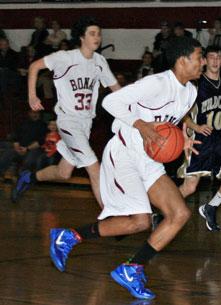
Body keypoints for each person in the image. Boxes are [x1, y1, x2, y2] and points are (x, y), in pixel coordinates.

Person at [47, 36, 204, 300]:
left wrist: (181, 137)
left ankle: (132, 268)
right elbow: (111, 103)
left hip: (149, 158)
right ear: (182, 60)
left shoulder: (190, 92)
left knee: (179, 214)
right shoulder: (156, 83)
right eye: (199, 57)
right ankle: (69, 236)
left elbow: (165, 122)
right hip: (125, 154)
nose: (202, 62)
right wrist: (141, 125)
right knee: (140, 222)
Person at [12, 16, 121, 205]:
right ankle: (110, 215)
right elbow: (34, 66)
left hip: (86, 123)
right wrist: (32, 95)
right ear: (82, 37)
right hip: (68, 122)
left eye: (99, 34)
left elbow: (117, 90)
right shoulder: (65, 58)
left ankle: (29, 177)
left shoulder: (100, 61)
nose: (97, 37)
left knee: (63, 173)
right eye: (92, 34)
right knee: (94, 167)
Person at [178, 45, 221, 232]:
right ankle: (161, 210)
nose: (215, 60)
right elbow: (183, 114)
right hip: (201, 139)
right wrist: (196, 127)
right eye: (211, 57)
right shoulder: (196, 84)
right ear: (204, 61)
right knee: (190, 187)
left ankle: (211, 207)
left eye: (218, 57)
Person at [0, 110, 47, 183]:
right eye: (32, 112)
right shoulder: (23, 123)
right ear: (29, 113)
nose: (34, 114)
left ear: (39, 114)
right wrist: (16, 145)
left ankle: (20, 177)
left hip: (34, 149)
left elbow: (41, 141)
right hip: (20, 147)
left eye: (36, 113)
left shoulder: (43, 125)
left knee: (29, 160)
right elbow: (16, 135)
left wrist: (27, 149)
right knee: (7, 154)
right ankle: (1, 174)